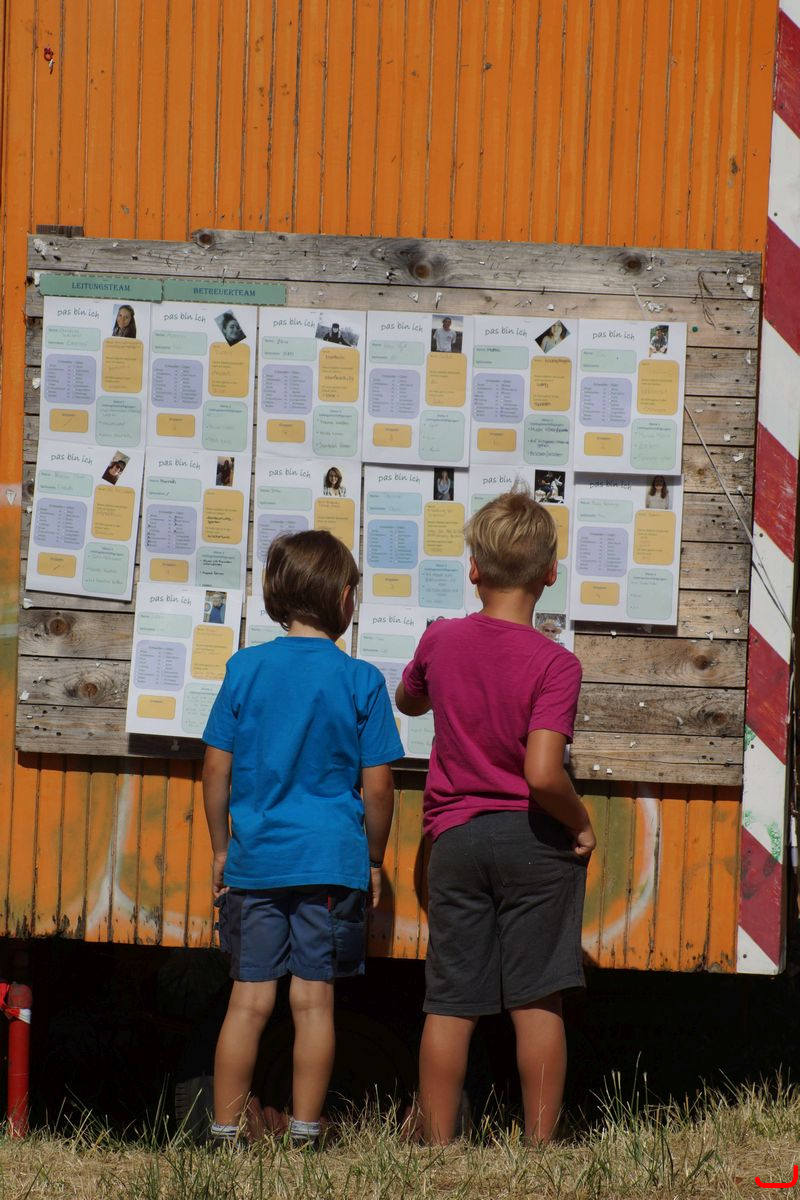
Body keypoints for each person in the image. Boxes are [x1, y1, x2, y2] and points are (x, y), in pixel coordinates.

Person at [396, 486, 595, 1145]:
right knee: (537, 1001)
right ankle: (539, 1149)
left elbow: (408, 699)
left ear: (474, 570)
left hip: (454, 839)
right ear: (550, 574)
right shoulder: (556, 664)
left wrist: (434, 681)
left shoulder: (441, 640)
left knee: (451, 1002)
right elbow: (542, 773)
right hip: (533, 841)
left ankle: (437, 1146)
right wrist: (580, 821)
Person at [202, 530, 403, 1148]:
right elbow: (379, 787)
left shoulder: (244, 669)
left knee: (248, 1002)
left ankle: (225, 1133)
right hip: (330, 865)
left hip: (257, 862)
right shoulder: (361, 680)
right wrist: (373, 859)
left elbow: (215, 770)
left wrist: (221, 848)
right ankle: (305, 1133)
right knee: (314, 1004)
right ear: (344, 598)